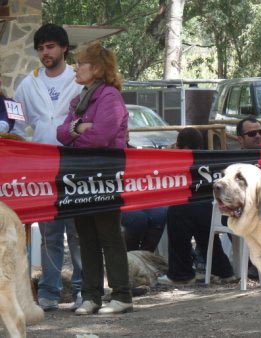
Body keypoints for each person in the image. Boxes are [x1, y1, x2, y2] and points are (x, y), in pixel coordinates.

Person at [56, 41, 132, 315]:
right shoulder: (80, 99)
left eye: (82, 63)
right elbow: (61, 132)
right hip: (82, 176)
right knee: (85, 234)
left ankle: (122, 295)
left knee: (109, 235)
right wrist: (79, 127)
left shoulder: (110, 96)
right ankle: (91, 296)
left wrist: (76, 132)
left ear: (97, 68)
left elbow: (100, 137)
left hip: (106, 176)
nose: (76, 68)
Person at [12, 23, 83, 312]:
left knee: (79, 229)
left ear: (64, 47)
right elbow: (17, 124)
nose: (45, 53)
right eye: (41, 48)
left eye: (51, 46)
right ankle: (49, 292)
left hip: (76, 163)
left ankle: (82, 288)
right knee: (50, 230)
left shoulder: (80, 79)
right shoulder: (27, 84)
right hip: (42, 166)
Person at [157, 127, 235, 286]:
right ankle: (223, 270)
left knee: (177, 211)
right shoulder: (210, 158)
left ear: (183, 147)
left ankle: (181, 273)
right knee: (202, 226)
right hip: (217, 210)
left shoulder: (181, 160)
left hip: (201, 209)